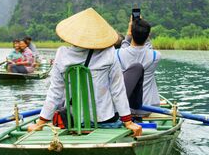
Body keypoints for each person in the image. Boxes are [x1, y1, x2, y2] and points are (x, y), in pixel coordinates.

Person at [27, 8, 142, 137]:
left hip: (73, 120)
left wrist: (40, 123)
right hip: (105, 119)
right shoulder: (109, 54)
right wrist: (127, 121)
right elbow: (118, 90)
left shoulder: (62, 55)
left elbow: (55, 92)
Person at [116, 16, 161, 117]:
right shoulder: (155, 56)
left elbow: (124, 47)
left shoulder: (117, 54)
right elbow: (148, 47)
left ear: (131, 33)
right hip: (147, 108)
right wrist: (145, 33)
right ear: (148, 35)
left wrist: (128, 33)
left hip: (127, 109)